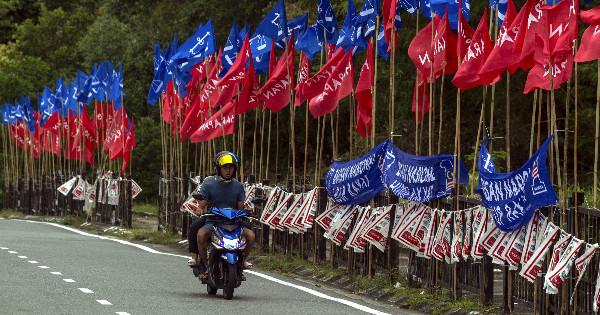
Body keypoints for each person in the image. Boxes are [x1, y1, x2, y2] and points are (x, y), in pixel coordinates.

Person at [187, 151, 255, 278]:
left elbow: (240, 206)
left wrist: (247, 211)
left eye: (231, 167)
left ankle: (242, 262)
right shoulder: (209, 183)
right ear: (219, 168)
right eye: (225, 167)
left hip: (233, 221)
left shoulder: (239, 186)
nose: (228, 170)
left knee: (250, 235)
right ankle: (205, 266)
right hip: (213, 220)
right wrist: (200, 209)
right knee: (200, 234)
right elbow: (203, 203)